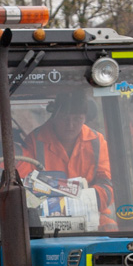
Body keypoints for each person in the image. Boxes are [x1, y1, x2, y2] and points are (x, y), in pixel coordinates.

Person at [20, 91, 114, 226]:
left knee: (112, 229)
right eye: (65, 118)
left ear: (85, 118)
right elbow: (25, 184)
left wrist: (82, 200)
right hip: (46, 217)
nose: (70, 125)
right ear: (54, 116)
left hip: (92, 214)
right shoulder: (34, 141)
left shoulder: (97, 142)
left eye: (77, 119)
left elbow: (109, 185)